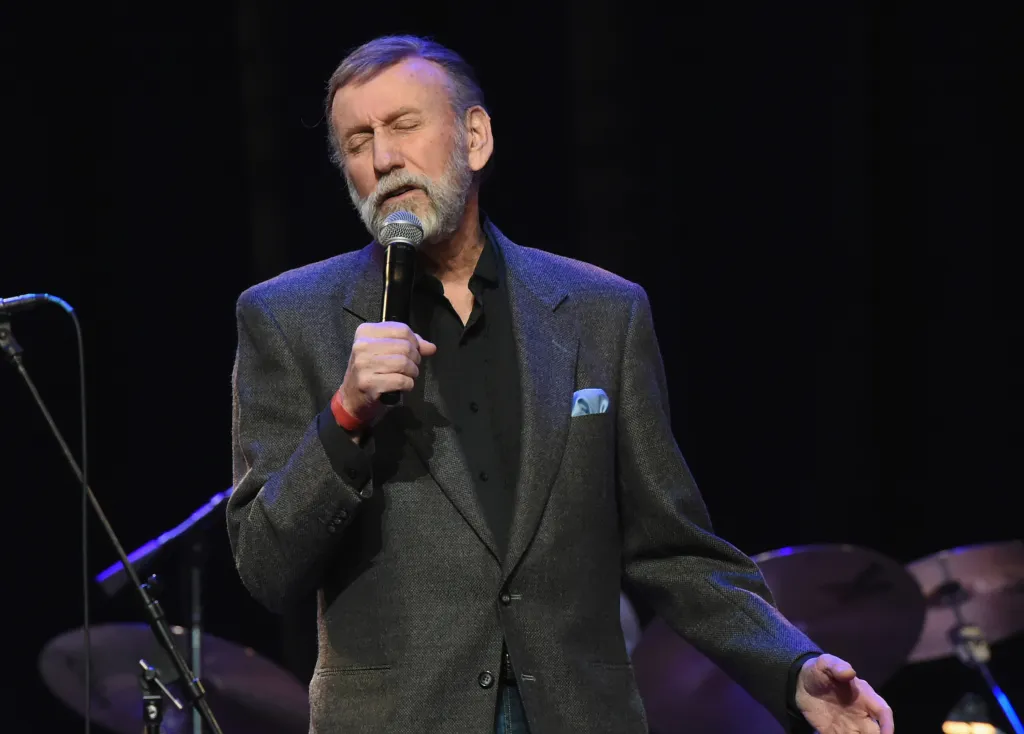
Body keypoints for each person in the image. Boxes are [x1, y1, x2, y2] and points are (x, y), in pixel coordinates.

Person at [226, 34, 895, 734]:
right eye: (358, 142)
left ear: (475, 138)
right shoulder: (288, 318)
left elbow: (672, 547)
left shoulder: (602, 312)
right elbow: (266, 567)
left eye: (404, 125)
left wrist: (791, 668)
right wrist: (345, 417)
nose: (385, 158)